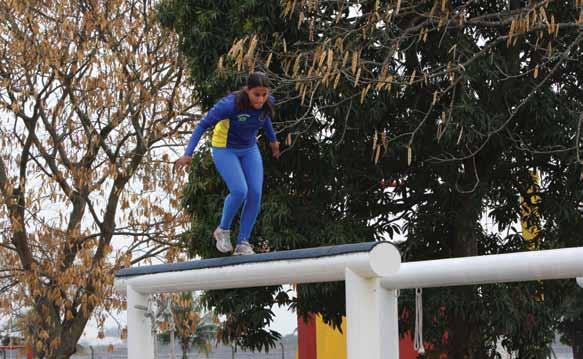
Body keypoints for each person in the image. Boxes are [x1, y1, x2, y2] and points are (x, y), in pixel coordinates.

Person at [174, 72, 280, 256]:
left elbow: (265, 118)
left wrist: (273, 141)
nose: (260, 99)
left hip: (249, 149)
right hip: (225, 148)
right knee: (240, 190)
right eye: (257, 95)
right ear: (247, 90)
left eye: (264, 94)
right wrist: (188, 154)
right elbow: (202, 125)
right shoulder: (230, 105)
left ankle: (243, 242)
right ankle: (222, 230)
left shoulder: (267, 102)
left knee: (255, 193)